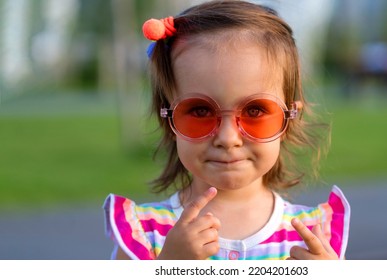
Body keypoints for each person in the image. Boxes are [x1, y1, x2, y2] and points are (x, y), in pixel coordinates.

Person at [103, 0, 350, 260]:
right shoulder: (144, 233)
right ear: (170, 119)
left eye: (255, 111)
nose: (228, 138)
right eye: (200, 111)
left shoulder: (316, 237)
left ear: (288, 118)